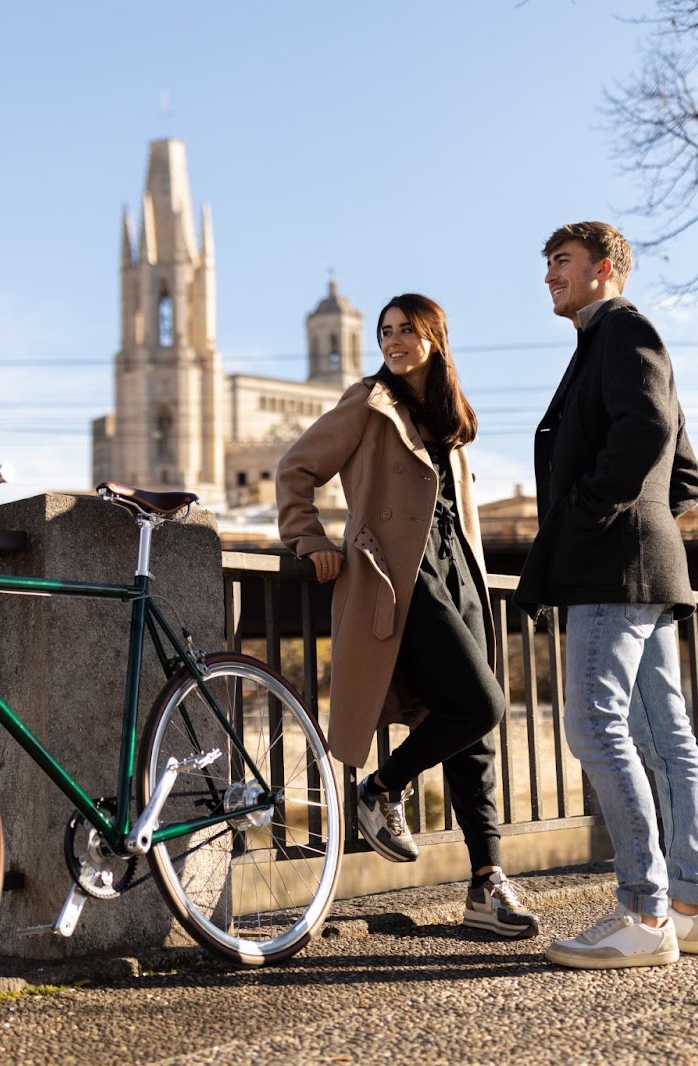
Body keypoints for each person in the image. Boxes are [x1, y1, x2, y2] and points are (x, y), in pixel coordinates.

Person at [277, 292, 539, 940]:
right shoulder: (366, 403)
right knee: (484, 703)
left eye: (404, 331)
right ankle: (381, 789)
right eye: (386, 332)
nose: (392, 341)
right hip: (402, 575)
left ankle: (487, 884)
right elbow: (294, 469)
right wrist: (309, 541)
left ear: (434, 337)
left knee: (472, 735)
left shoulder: (450, 416)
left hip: (461, 575)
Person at [514, 222, 698, 969]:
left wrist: (588, 515)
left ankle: (643, 912)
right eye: (546, 264)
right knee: (668, 742)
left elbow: (647, 430)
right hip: (645, 568)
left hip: (613, 570)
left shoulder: (622, 332)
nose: (548, 276)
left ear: (606, 268)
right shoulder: (616, 342)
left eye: (561, 262)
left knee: (595, 729)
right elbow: (686, 476)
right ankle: (692, 906)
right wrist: (642, 524)